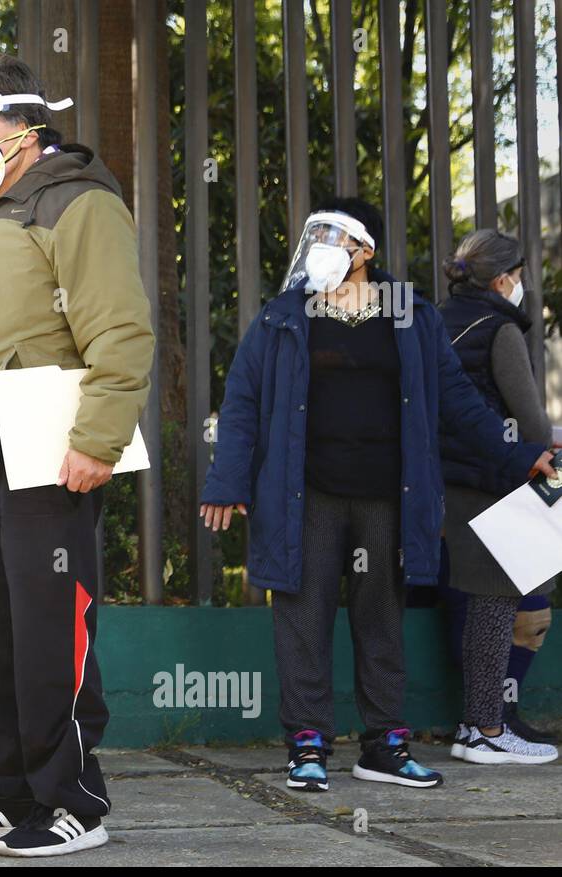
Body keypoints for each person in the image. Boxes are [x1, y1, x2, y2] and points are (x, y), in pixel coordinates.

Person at [199, 198, 555, 793]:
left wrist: (520, 454)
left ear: (365, 252)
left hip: (388, 496)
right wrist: (228, 481)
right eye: (314, 234)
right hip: (305, 494)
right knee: (303, 616)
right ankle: (306, 745)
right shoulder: (284, 316)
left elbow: (459, 401)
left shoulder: (411, 314)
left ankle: (385, 744)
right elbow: (242, 404)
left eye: (333, 236)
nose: (319, 246)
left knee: (382, 618)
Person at [0, 54, 154, 857]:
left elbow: (120, 329)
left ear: (23, 126)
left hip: (46, 458)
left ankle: (73, 803)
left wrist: (97, 440)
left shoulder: (75, 203)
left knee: (51, 639)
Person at [436, 229, 558, 764]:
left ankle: (478, 726)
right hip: (498, 480)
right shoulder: (499, 329)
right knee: (496, 602)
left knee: (482, 598)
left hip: (451, 479)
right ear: (505, 279)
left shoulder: (437, 322)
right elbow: (530, 419)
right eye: (520, 277)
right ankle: (486, 729)